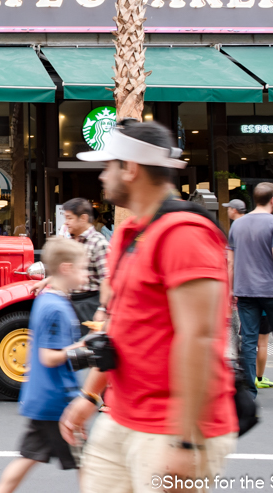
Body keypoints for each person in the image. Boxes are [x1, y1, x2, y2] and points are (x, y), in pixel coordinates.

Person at [60, 119, 238, 492]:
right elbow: (117, 328)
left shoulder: (185, 234)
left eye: (108, 165)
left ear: (131, 168)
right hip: (121, 416)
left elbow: (202, 339)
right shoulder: (129, 233)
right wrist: (90, 396)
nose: (102, 175)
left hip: (171, 427)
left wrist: (185, 442)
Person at [0, 237, 86, 493]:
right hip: (60, 402)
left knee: (28, 457)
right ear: (66, 268)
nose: (86, 274)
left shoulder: (46, 299)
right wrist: (80, 349)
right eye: (82, 268)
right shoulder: (56, 307)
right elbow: (48, 356)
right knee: (86, 465)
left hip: (43, 398)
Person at [228, 182, 273, 401]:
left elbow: (230, 262)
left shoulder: (237, 225)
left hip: (245, 290)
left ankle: (249, 392)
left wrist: (232, 289)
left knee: (248, 341)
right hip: (271, 290)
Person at [32, 198, 110, 327]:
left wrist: (102, 309)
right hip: (73, 301)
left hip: (90, 304)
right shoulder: (74, 240)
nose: (66, 223)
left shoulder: (98, 243)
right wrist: (44, 282)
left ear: (83, 218)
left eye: (69, 218)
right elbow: (66, 270)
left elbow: (107, 278)